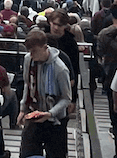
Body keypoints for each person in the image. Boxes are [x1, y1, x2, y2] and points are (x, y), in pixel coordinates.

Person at [21, 27, 74, 158]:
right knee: (27, 154)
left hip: (55, 120)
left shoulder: (60, 68)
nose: (32, 55)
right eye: (30, 52)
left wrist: (50, 113)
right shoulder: (29, 59)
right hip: (34, 114)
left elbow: (66, 98)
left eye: (34, 51)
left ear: (45, 48)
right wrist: (22, 109)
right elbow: (28, 84)